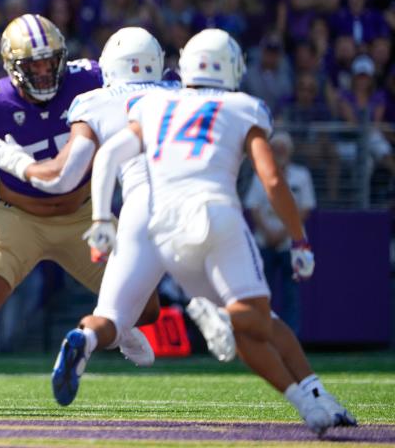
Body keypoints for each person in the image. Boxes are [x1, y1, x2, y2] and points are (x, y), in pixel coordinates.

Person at [76, 29, 354, 436]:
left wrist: (102, 218)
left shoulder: (154, 103)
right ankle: (224, 317)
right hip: (216, 214)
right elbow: (273, 181)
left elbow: (109, 157)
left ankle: (311, 400)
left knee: (252, 322)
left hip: (163, 226)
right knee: (255, 319)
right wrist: (299, 239)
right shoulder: (243, 106)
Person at [0, 15, 156, 425]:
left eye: (49, 62)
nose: (42, 71)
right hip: (19, 217)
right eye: (32, 64)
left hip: (85, 213)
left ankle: (118, 325)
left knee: (148, 309)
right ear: (11, 66)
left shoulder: (89, 79)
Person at [0, 26, 167, 406]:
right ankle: (310, 396)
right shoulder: (181, 96)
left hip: (138, 209)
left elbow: (68, 176)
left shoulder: (95, 101)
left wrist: (21, 164)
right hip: (197, 202)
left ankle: (92, 336)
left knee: (116, 313)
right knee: (234, 297)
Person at [244, 131, 315, 334]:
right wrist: (268, 232)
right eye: (275, 149)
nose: (279, 152)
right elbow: (253, 206)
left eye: (283, 149)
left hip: (292, 244)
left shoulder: (302, 176)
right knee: (263, 293)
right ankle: (264, 333)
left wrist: (283, 232)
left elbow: (305, 208)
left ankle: (292, 337)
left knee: (291, 293)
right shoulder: (260, 175)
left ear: (290, 151)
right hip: (264, 241)